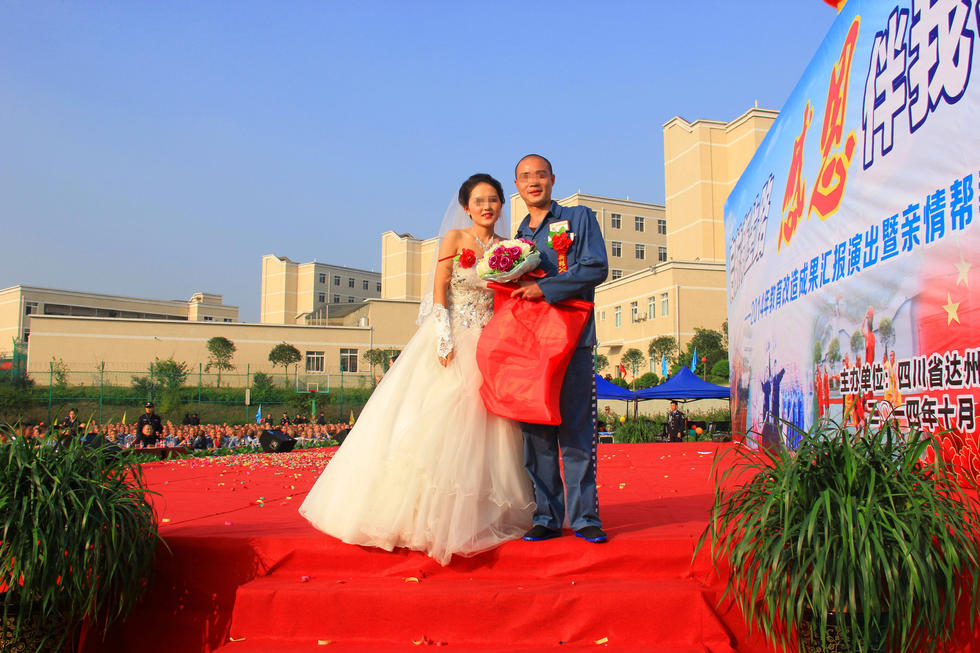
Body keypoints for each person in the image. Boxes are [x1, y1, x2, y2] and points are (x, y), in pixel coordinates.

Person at [300, 173, 534, 565]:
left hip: (490, 341)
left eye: (493, 199)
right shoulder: (455, 239)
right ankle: (419, 518)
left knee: (488, 428)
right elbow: (439, 288)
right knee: (439, 421)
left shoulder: (507, 248)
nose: (487, 206)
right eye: (479, 200)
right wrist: (443, 337)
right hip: (454, 336)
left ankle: (479, 515)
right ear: (466, 207)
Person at [510, 154, 609, 544]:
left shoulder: (578, 218)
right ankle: (547, 516)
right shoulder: (517, 240)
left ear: (552, 179)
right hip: (531, 349)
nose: (533, 182)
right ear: (517, 186)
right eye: (525, 177)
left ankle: (584, 517)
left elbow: (595, 267)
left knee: (576, 430)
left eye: (540, 174)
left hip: (574, 341)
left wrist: (544, 288)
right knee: (536, 435)